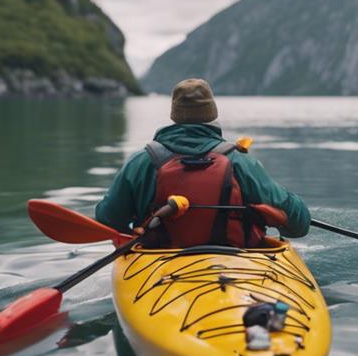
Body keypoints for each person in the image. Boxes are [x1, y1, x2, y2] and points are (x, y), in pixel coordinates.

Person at [95, 78, 310, 248]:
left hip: (157, 265)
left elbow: (107, 220)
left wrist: (132, 232)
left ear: (174, 115)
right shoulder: (241, 163)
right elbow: (298, 225)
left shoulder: (140, 162)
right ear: (211, 113)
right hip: (237, 264)